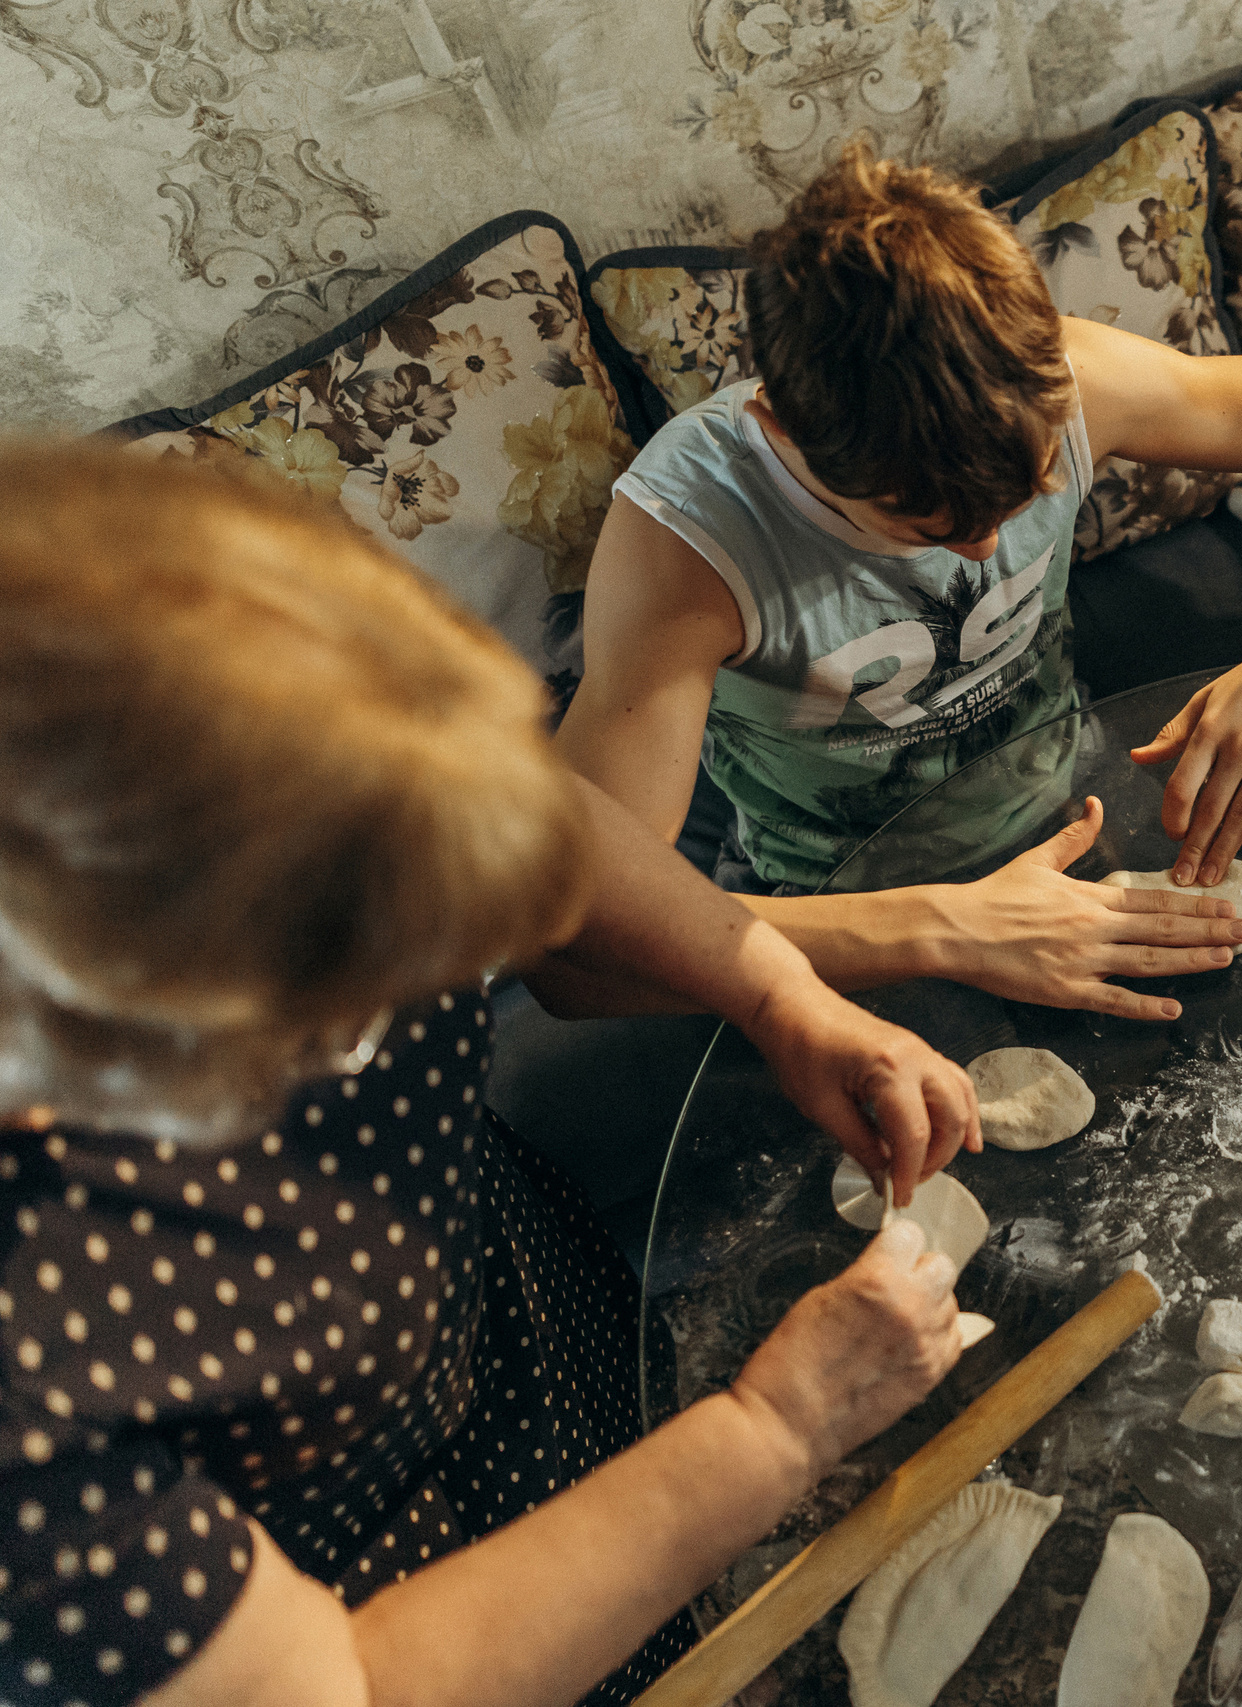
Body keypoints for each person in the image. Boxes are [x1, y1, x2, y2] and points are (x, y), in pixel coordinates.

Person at [0, 442, 987, 1705]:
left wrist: (770, 989)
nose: (385, 1040)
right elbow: (345, 1687)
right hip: (364, 1590)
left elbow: (519, 814)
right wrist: (772, 1431)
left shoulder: (174, 673)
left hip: (491, 1315)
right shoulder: (32, 1416)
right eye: (339, 1025)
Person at [559, 146, 1242, 991]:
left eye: (1027, 492)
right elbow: (575, 941)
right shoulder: (686, 542)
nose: (982, 552)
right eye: (924, 524)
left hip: (1075, 819)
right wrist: (952, 930)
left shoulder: (1073, 376)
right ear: (784, 430)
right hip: (841, 920)